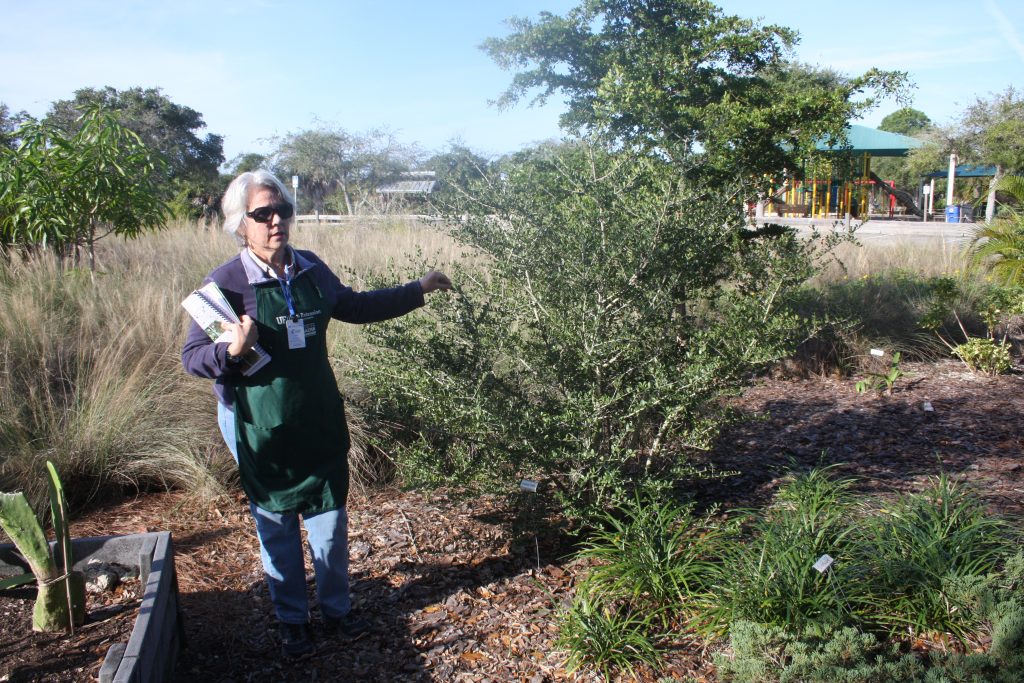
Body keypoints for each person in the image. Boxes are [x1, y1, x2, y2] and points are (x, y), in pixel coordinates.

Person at [181, 169, 451, 659]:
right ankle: (291, 619)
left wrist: (418, 289)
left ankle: (337, 609)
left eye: (281, 211)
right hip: (256, 419)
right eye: (262, 214)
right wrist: (230, 352)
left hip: (316, 410)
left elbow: (354, 305)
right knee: (276, 518)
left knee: (328, 510)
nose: (275, 221)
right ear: (241, 224)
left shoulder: (310, 269)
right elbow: (192, 357)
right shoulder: (225, 284)